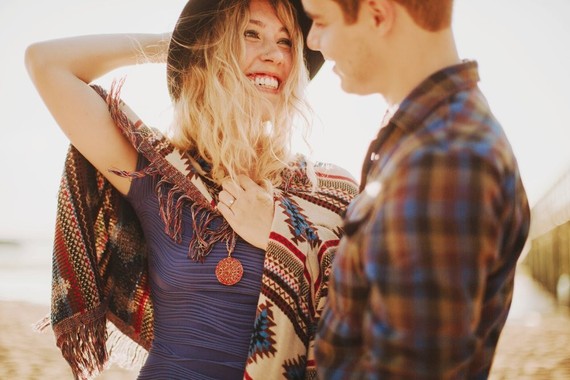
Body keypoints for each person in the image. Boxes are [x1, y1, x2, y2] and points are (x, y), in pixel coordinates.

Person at [25, 0, 358, 379]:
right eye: (250, 34)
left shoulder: (331, 190)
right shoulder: (160, 173)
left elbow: (373, 309)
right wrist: (179, 45)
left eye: (286, 42)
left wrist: (278, 233)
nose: (274, 54)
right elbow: (47, 63)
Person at [300, 0, 531, 378]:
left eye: (321, 21)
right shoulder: (430, 134)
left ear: (377, 14)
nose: (311, 41)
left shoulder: (443, 160)